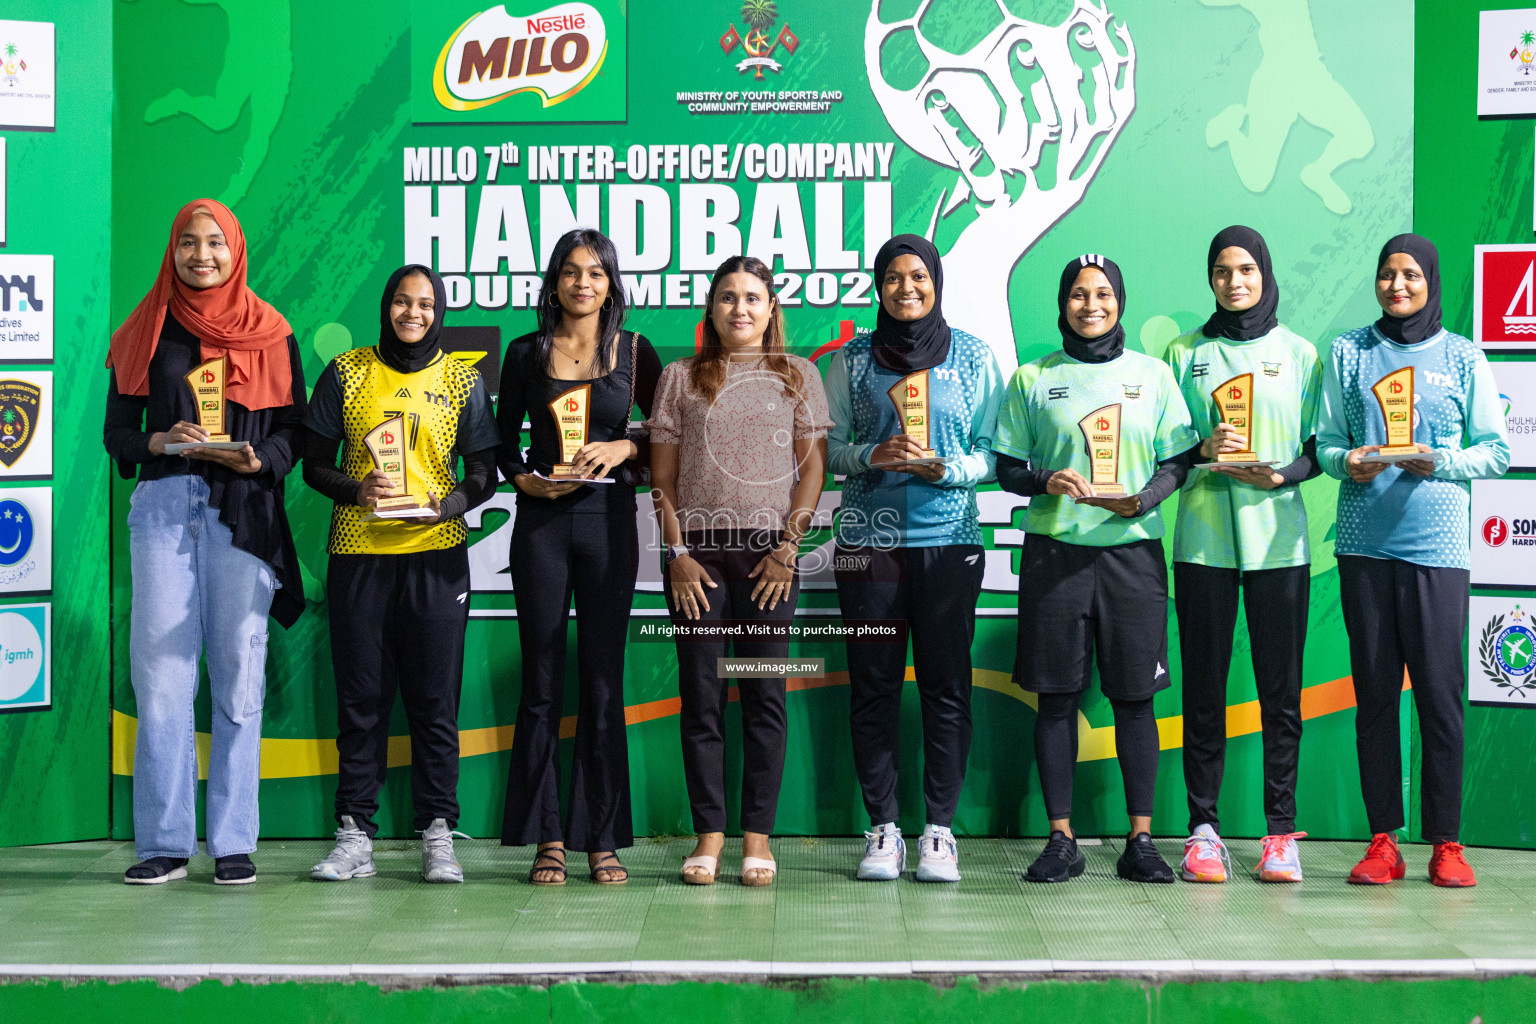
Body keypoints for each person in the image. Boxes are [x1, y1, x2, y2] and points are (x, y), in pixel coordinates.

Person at [104, 198, 308, 886]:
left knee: (238, 676)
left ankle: (231, 840)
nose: (201, 255)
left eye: (215, 243)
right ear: (173, 249)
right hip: (164, 507)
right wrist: (160, 440)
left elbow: (294, 435)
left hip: (242, 514)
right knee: (160, 678)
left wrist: (258, 461)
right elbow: (117, 435)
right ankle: (163, 841)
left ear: (236, 250)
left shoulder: (272, 332)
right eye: (188, 242)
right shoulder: (144, 329)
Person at [994, 253, 1201, 885]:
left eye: (1104, 293)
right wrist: (1042, 479)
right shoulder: (1033, 378)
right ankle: (1062, 839)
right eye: (1079, 295)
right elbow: (1006, 469)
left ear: (1120, 301)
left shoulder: (1155, 375)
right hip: (1056, 553)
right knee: (1056, 698)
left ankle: (1141, 839)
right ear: (1063, 305)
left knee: (1135, 700)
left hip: (1132, 554)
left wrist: (1145, 499)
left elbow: (1180, 460)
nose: (1091, 305)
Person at [1318, 234, 1509, 888]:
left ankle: (1447, 843)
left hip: (1439, 546)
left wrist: (1443, 462)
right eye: (1386, 275)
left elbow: (1496, 450)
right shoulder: (1349, 352)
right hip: (1364, 545)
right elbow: (1326, 444)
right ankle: (1382, 841)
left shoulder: (1461, 355)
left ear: (1429, 279)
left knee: (1438, 694)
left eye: (1409, 275)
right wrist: (1350, 461)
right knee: (1374, 696)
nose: (1397, 286)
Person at [304, 265, 499, 884]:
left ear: (438, 311)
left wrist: (448, 506)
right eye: (400, 301)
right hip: (360, 553)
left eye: (424, 303)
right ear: (386, 305)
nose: (411, 313)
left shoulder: (463, 381)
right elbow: (312, 464)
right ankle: (354, 834)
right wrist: (356, 488)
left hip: (436, 553)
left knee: (434, 700)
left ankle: (439, 832)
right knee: (361, 700)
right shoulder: (348, 372)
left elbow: (484, 473)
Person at [647, 255, 830, 887]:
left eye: (753, 297)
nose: (740, 309)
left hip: (768, 562)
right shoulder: (679, 378)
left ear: (772, 308)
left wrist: (788, 550)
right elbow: (662, 481)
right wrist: (676, 556)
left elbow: (811, 472)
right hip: (698, 563)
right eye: (728, 297)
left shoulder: (798, 375)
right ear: (712, 307)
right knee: (701, 696)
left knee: (763, 695)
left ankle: (758, 839)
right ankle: (709, 837)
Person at [825, 235, 1003, 883]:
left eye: (919, 277)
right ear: (878, 286)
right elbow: (829, 447)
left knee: (946, 687)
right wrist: (872, 456)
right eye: (894, 278)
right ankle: (882, 828)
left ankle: (938, 832)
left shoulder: (975, 356)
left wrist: (947, 467)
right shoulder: (850, 360)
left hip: (948, 542)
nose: (907, 288)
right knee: (872, 686)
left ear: (937, 283)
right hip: (868, 543)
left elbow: (993, 453)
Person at [498, 229, 661, 886]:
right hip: (540, 525)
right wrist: (524, 482)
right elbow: (501, 445)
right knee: (540, 683)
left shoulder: (634, 352)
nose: (582, 284)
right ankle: (547, 838)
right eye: (570, 272)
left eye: (595, 273)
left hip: (610, 525)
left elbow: (668, 435)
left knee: (601, 679)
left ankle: (602, 839)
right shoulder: (525, 353)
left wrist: (625, 449)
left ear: (611, 283)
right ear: (554, 282)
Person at [1163, 226, 1322, 883]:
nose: (1235, 282)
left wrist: (1281, 476)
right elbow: (1167, 451)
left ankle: (1280, 834)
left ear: (1266, 274)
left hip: (1279, 545)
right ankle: (1204, 832)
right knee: (1203, 692)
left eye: (1247, 269)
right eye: (1223, 271)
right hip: (1204, 543)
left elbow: (1319, 447)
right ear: (1211, 279)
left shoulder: (1302, 353)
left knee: (1281, 694)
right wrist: (1204, 452)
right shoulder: (1184, 352)